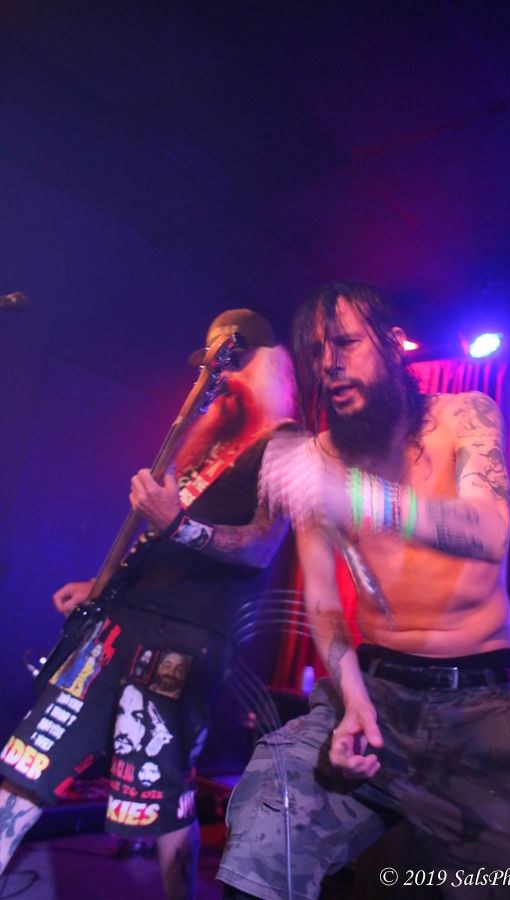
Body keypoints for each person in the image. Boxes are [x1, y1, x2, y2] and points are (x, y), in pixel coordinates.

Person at [218, 282, 510, 899]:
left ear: (391, 345)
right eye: (316, 352)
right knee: (265, 821)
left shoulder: (464, 414)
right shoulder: (319, 457)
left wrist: (355, 496)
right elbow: (324, 605)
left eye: (346, 343)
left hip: (480, 706)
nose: (329, 363)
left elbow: (489, 531)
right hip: (376, 689)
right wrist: (353, 700)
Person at [0, 309, 296, 900]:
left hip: (185, 640)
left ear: (265, 363)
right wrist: (101, 584)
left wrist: (178, 524)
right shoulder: (211, 443)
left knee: (161, 794)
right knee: (26, 763)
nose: (219, 376)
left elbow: (262, 548)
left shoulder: (285, 443)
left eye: (232, 361)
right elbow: (158, 543)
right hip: (119, 622)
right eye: (212, 365)